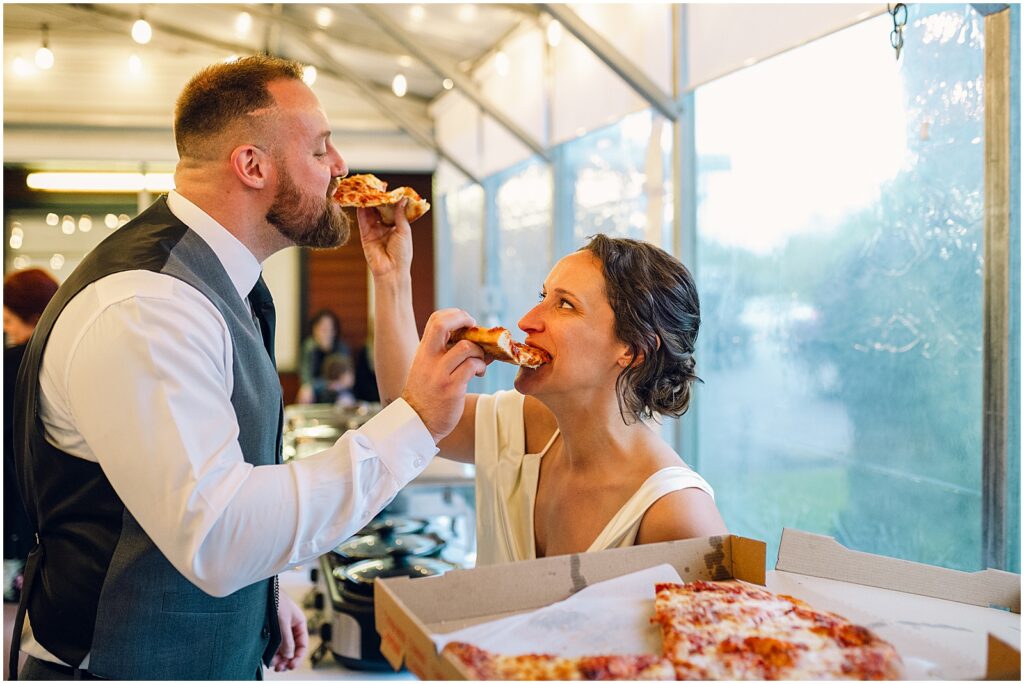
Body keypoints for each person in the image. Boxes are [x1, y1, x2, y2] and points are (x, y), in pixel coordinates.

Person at [10, 55, 485, 681]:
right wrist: (416, 421)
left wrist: (267, 590)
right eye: (320, 149)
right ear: (252, 165)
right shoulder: (146, 307)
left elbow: (224, 475)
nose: (340, 166)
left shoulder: (216, 285)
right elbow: (218, 533)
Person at [359, 206, 728, 566]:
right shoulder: (522, 428)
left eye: (564, 305)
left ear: (631, 350)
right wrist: (390, 275)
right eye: (543, 297)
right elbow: (408, 411)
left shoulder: (679, 517)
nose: (526, 321)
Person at [3, 269, 60, 604]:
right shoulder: (69, 360)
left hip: (17, 503)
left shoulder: (12, 365)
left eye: (10, 320)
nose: (6, 328)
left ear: (35, 317)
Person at [296, 308, 350, 404]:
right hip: (317, 391)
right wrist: (323, 384)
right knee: (305, 392)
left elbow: (345, 379)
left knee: (346, 398)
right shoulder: (309, 347)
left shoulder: (341, 348)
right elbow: (306, 378)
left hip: (338, 391)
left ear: (334, 331)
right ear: (314, 330)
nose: (325, 332)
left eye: (328, 328)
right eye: (321, 328)